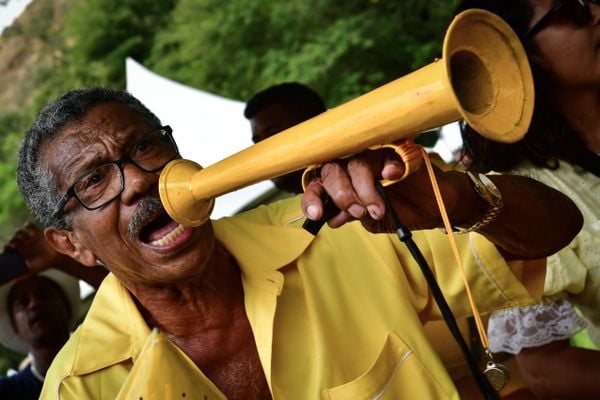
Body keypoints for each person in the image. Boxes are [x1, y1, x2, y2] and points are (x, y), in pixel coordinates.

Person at [16, 87, 582, 399]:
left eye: (144, 147)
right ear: (71, 246)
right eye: (93, 181)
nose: (136, 179)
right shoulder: (79, 389)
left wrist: (455, 200)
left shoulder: (343, 227)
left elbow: (557, 229)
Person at [454, 0, 600, 398]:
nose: (598, 12)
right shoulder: (519, 198)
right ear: (519, 56)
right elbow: (547, 371)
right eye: (575, 10)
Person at [0, 258, 80, 399]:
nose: (34, 304)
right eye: (22, 302)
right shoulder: (8, 391)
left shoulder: (109, 354)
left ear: (66, 305)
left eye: (43, 294)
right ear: (14, 325)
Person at [244, 82, 327, 194]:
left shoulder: (354, 178)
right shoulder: (288, 209)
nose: (263, 153)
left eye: (273, 134)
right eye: (258, 142)